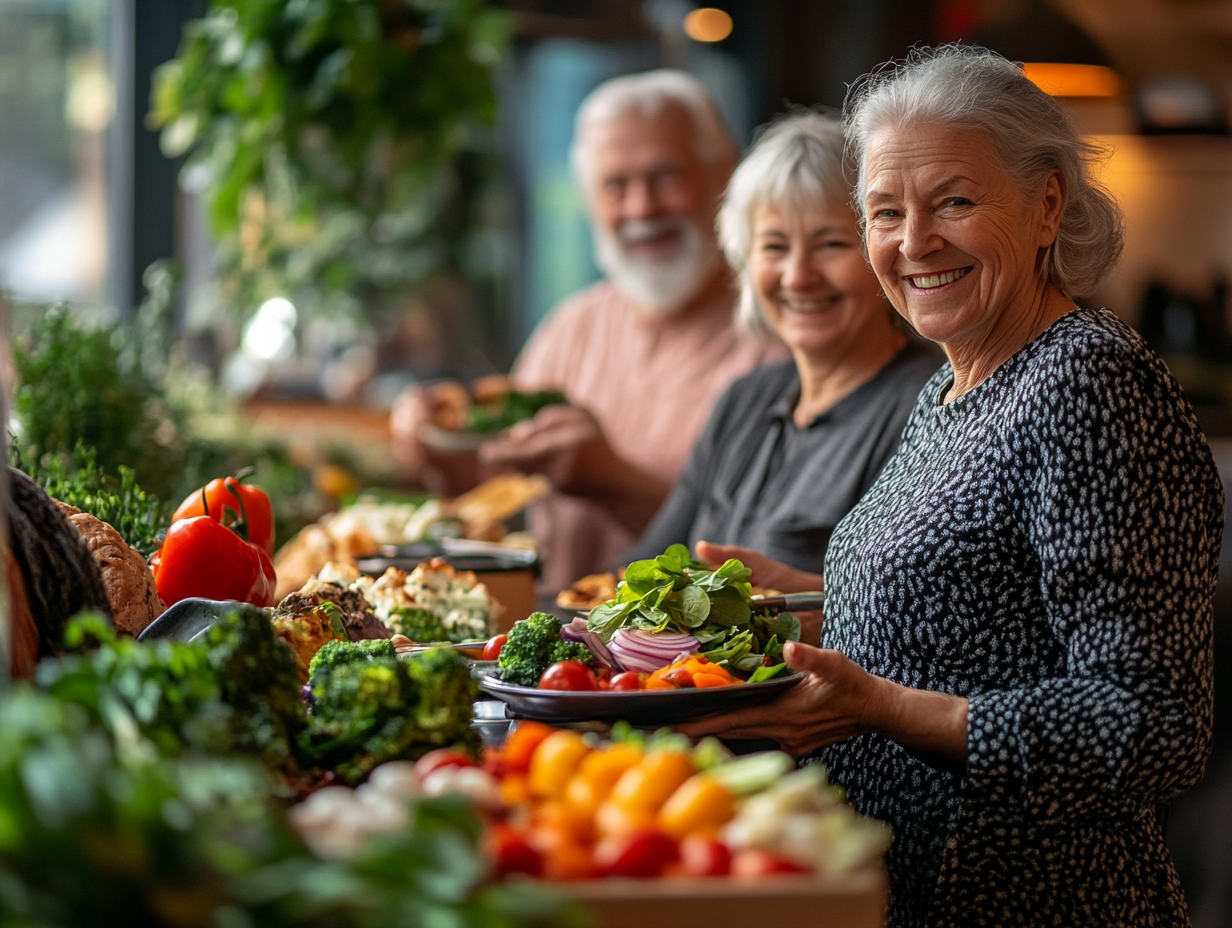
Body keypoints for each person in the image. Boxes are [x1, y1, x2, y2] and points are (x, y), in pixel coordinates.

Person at [683, 45, 1222, 928]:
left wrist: (882, 709)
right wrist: (815, 609)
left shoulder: (1089, 383)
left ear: (1047, 203)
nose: (913, 242)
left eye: (955, 202)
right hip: (910, 885)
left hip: (1029, 898)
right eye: (884, 212)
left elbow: (1150, 725)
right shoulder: (956, 383)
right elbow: (982, 616)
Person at [392, 70, 785, 597]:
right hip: (555, 665)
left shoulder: (779, 333)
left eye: (665, 176)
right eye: (615, 185)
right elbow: (498, 500)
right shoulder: (568, 329)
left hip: (701, 670)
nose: (642, 208)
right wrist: (435, 448)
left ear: (725, 176)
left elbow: (774, 561)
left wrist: (612, 480)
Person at [624, 111, 940, 591]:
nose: (798, 277)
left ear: (884, 251)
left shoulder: (930, 406)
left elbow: (909, 610)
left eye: (830, 244)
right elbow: (641, 572)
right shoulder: (744, 400)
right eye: (774, 247)